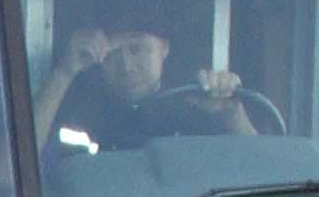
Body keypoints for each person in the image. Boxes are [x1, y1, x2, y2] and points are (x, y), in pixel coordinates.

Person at [34, 21, 259, 155]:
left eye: (137, 49)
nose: (127, 67)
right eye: (112, 54)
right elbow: (7, 175)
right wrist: (64, 72)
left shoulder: (200, 107)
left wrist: (233, 113)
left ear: (164, 48)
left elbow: (260, 181)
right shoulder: (79, 110)